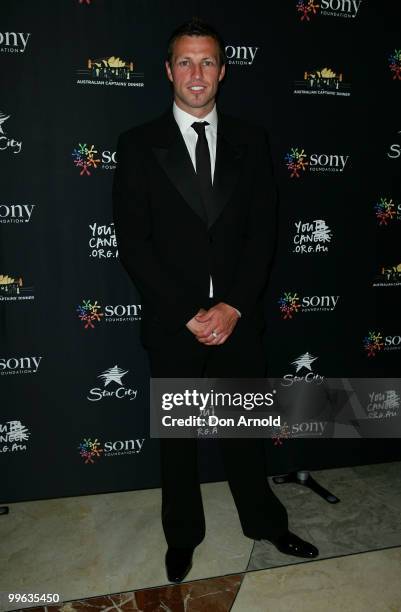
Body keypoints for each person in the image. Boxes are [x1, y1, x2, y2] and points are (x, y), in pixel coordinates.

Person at [113, 18, 319, 583]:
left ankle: (264, 523)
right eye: (185, 61)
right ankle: (182, 538)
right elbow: (135, 243)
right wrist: (187, 312)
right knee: (177, 446)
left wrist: (232, 307)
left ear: (223, 71)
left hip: (237, 322)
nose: (196, 73)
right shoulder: (137, 145)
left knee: (244, 437)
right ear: (168, 71)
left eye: (207, 62)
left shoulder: (252, 141)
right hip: (173, 324)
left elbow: (263, 234)